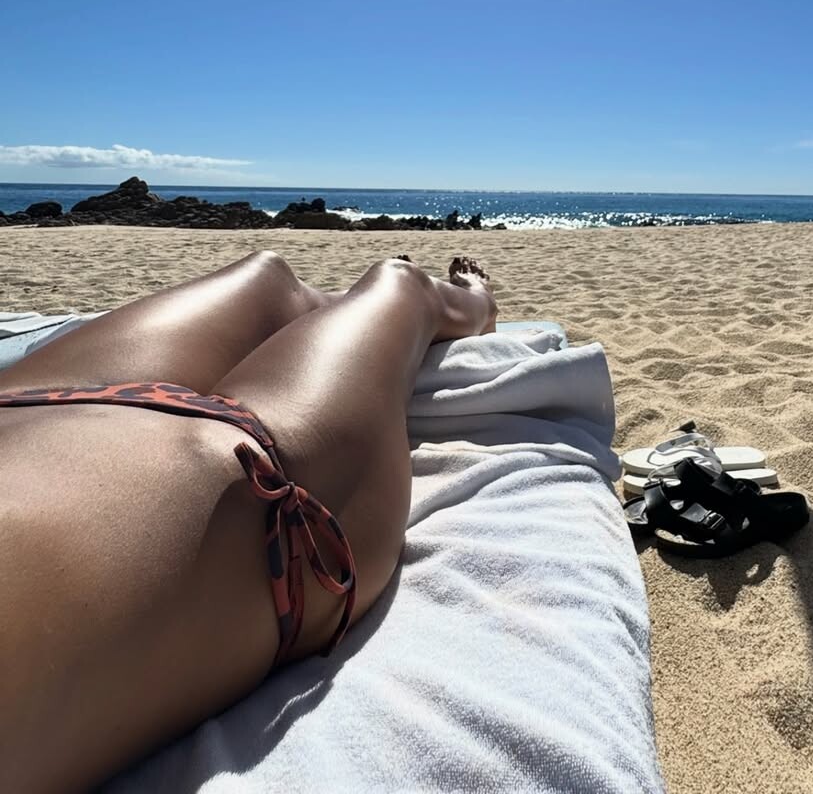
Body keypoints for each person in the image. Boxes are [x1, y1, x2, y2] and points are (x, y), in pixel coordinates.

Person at [0, 251, 497, 794]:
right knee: (400, 286)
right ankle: (475, 305)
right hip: (264, 483)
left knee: (267, 277)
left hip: (28, 409)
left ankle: (322, 317)